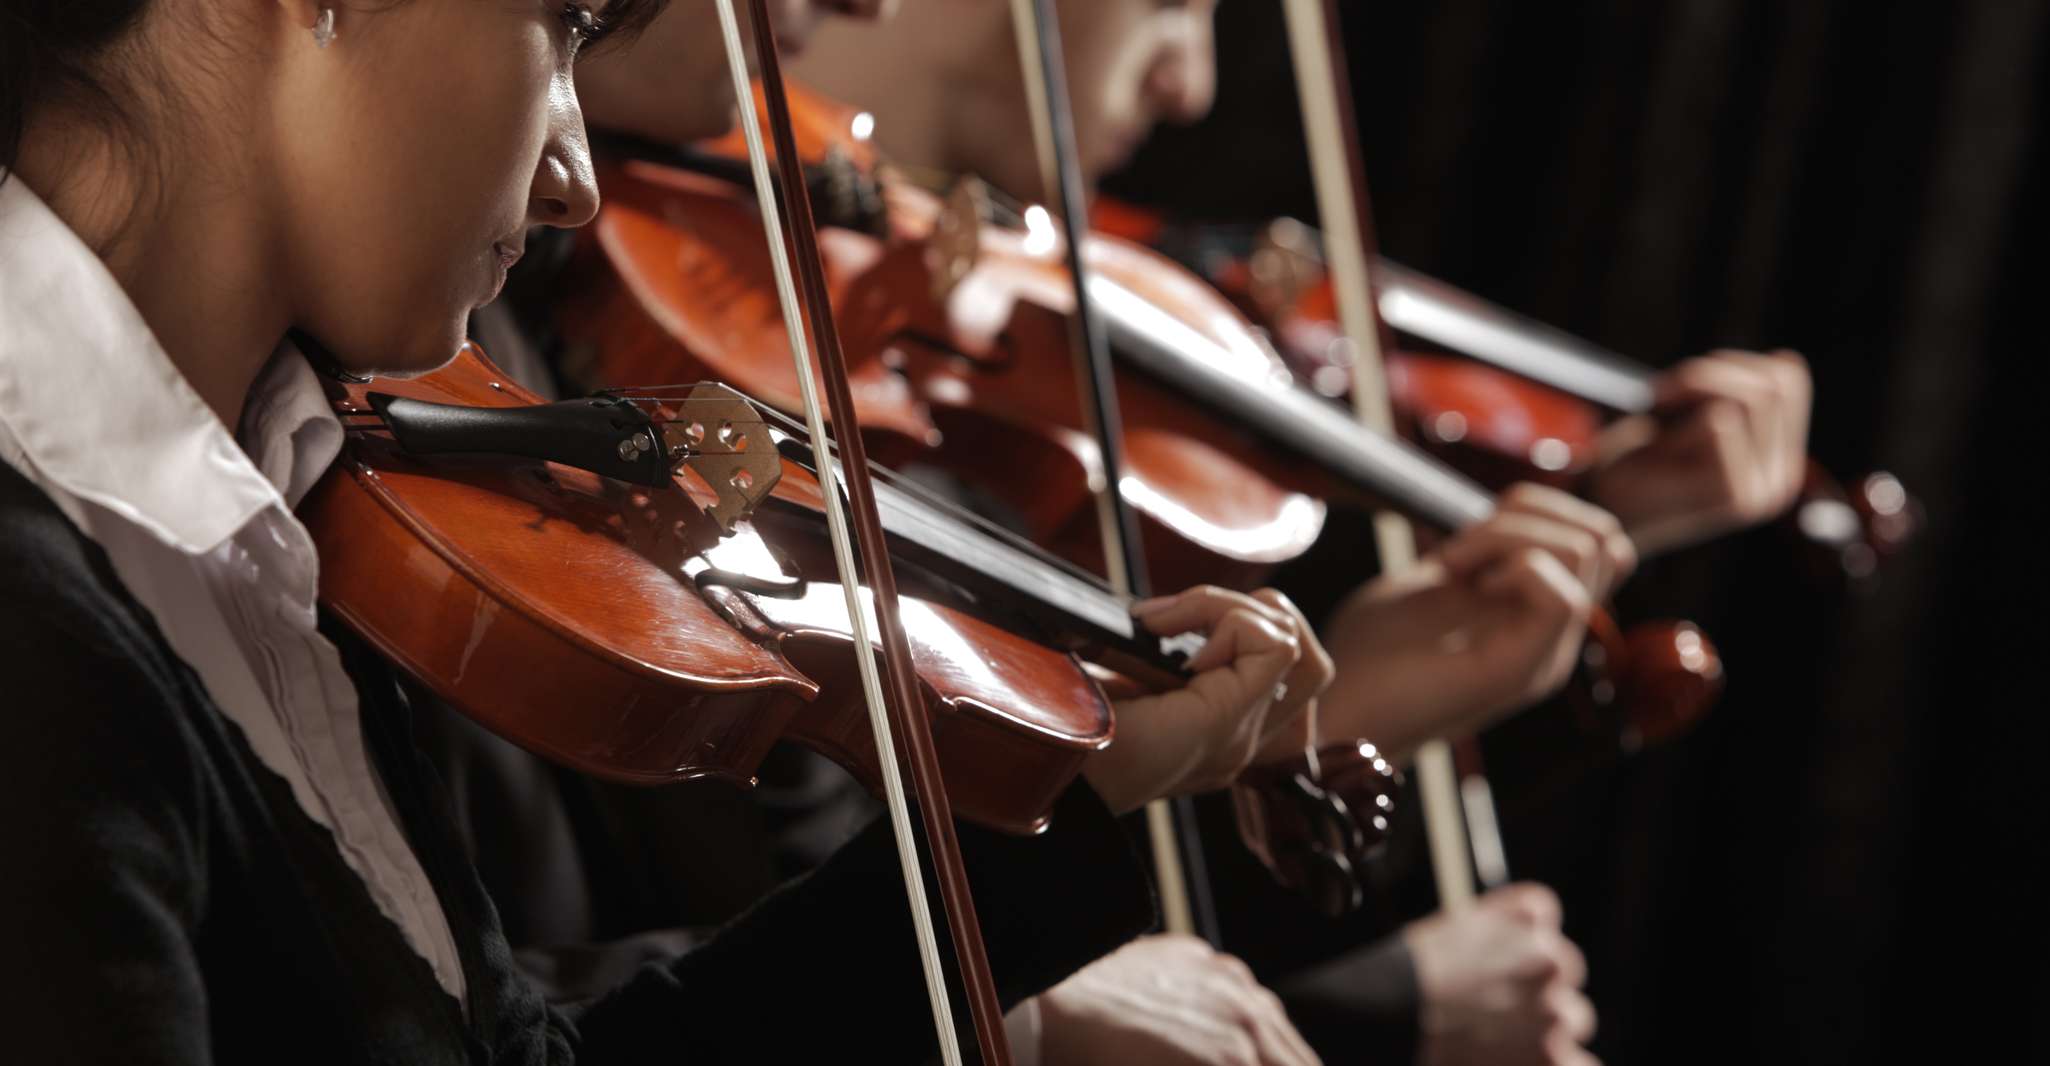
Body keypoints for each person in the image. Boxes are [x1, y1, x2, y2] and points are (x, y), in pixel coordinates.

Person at [0, 1, 1339, 1061]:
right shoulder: (40, 623)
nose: (579, 176)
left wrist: (1075, 800)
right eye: (569, 20)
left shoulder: (264, 516)